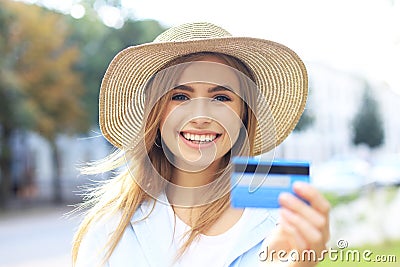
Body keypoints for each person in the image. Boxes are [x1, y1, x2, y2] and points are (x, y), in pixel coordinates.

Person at [72, 22, 330, 267]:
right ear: (156, 113)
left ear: (243, 114)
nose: (201, 117)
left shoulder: (283, 222)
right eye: (180, 96)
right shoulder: (108, 230)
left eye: (221, 97)